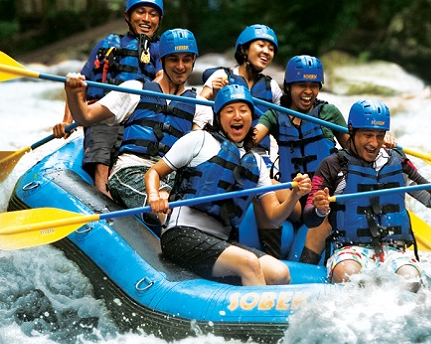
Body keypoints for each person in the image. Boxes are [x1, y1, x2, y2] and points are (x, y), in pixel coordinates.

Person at [145, 84, 312, 286]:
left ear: (251, 117)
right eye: (229, 111)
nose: (237, 116)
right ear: (218, 117)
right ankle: (258, 317)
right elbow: (154, 172)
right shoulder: (199, 139)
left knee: (279, 272)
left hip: (221, 242)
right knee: (249, 263)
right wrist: (154, 195)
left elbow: (274, 217)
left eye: (243, 111)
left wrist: (294, 195)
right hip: (181, 234)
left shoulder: (256, 163)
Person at [303, 99, 431, 291]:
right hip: (350, 250)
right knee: (348, 273)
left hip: (393, 251)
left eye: (380, 136)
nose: (374, 143)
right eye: (367, 135)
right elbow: (309, 218)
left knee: (411, 280)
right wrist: (319, 209)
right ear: (351, 131)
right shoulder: (332, 165)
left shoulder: (398, 161)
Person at [64, 28, 212, 212]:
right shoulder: (134, 90)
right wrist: (73, 94)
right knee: (169, 206)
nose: (180, 66)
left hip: (170, 177)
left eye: (186, 59)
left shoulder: (200, 105)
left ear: (193, 61)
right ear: (162, 60)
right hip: (132, 170)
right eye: (174, 59)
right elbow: (85, 116)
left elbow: (197, 152)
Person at [54, 0, 165, 195]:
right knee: (103, 157)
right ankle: (103, 200)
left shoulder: (160, 49)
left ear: (159, 20)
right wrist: (67, 121)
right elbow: (78, 85)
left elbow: (162, 80)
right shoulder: (108, 45)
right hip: (103, 114)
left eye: (153, 14)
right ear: (127, 15)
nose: (147, 19)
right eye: (140, 12)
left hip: (138, 119)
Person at [251, 55, 347, 258]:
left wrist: (381, 142)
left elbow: (356, 148)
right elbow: (252, 137)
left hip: (324, 197)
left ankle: (306, 263)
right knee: (262, 184)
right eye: (301, 85)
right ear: (289, 86)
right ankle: (271, 255)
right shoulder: (275, 115)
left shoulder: (328, 113)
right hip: (293, 198)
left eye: (314, 85)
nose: (308, 92)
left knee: (325, 212)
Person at [199, 24, 282, 164]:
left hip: (259, 156)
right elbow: (198, 105)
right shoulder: (222, 76)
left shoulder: (271, 86)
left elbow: (286, 118)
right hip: (223, 150)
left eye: (271, 49)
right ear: (244, 49)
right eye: (261, 45)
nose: (267, 52)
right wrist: (214, 93)